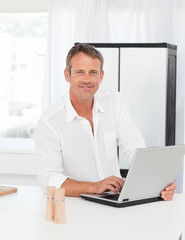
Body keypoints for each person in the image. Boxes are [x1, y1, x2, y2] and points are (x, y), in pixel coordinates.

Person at [36, 43, 176, 200]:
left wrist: (160, 183)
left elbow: (137, 151)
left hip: (114, 204)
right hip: (75, 207)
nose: (87, 79)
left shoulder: (114, 102)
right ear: (67, 75)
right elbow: (48, 180)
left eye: (93, 72)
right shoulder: (50, 122)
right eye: (80, 72)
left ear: (101, 76)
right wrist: (94, 187)